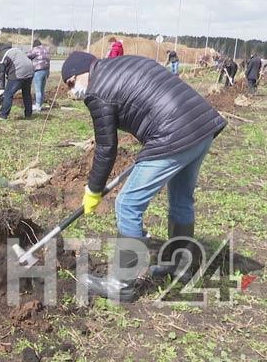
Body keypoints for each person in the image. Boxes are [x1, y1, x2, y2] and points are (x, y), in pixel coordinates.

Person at [61, 51, 227, 302]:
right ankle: (180, 267)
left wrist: (93, 190)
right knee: (181, 200)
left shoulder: (97, 90)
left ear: (85, 70)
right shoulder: (124, 64)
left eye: (72, 82)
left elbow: (106, 148)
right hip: (201, 126)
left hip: (174, 133)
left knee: (127, 204)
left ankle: (121, 285)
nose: (74, 91)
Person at [0, 42, 34, 121]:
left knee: (8, 94)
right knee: (26, 93)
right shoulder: (13, 50)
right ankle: (28, 114)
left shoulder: (1, 56)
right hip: (30, 71)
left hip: (19, 71)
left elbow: (1, 75)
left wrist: (2, 89)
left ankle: (3, 115)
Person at [27, 39, 51, 112]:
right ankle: (40, 105)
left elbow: (27, 56)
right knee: (42, 89)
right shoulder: (46, 49)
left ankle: (37, 107)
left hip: (38, 71)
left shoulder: (35, 50)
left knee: (37, 90)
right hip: (46, 71)